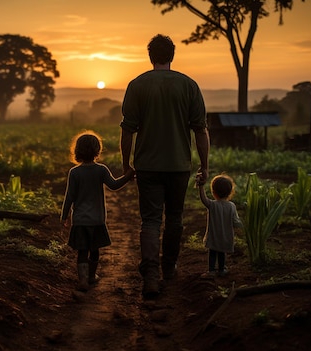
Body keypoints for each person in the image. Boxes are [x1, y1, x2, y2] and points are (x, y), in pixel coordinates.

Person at [120, 34, 210, 299]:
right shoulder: (189, 85)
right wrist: (204, 166)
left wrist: (127, 165)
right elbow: (200, 131)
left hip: (147, 166)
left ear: (150, 57)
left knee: (150, 220)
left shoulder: (137, 85)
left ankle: (150, 275)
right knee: (175, 218)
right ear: (172, 55)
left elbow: (128, 131)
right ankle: (169, 269)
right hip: (179, 166)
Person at [61, 130, 135, 292]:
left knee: (82, 251)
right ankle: (92, 276)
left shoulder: (74, 172)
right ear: (97, 150)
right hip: (97, 220)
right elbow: (114, 185)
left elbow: (69, 197)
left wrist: (64, 215)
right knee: (94, 251)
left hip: (80, 220)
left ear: (77, 150)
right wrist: (128, 175)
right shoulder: (101, 170)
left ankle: (82, 281)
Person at [197, 174, 242, 277]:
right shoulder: (231, 206)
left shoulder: (212, 205)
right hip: (225, 237)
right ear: (230, 192)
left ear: (214, 192)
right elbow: (236, 222)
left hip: (214, 237)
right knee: (222, 253)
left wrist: (201, 186)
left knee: (212, 253)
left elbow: (203, 199)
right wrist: (245, 226)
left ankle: (211, 271)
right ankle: (221, 270)